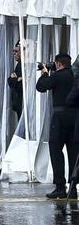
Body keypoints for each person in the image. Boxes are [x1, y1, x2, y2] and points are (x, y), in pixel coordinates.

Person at [37, 53, 77, 199]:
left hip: (60, 117)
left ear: (58, 64)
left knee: (56, 151)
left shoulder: (57, 75)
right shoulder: (74, 76)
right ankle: (73, 188)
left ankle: (60, 186)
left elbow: (41, 87)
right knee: (73, 152)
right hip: (75, 117)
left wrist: (45, 73)